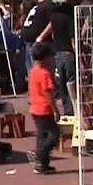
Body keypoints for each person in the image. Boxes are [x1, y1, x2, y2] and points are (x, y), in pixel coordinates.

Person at [39, 0, 85, 116]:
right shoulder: (72, 13)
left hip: (58, 52)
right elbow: (73, 37)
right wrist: (79, 56)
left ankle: (66, 113)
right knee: (73, 86)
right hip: (69, 53)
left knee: (63, 86)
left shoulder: (56, 12)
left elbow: (53, 32)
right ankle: (73, 113)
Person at [27, 43, 60, 174]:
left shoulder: (32, 72)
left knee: (42, 135)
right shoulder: (44, 73)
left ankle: (42, 165)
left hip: (35, 107)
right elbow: (48, 93)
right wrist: (55, 109)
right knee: (54, 135)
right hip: (44, 108)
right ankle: (40, 155)